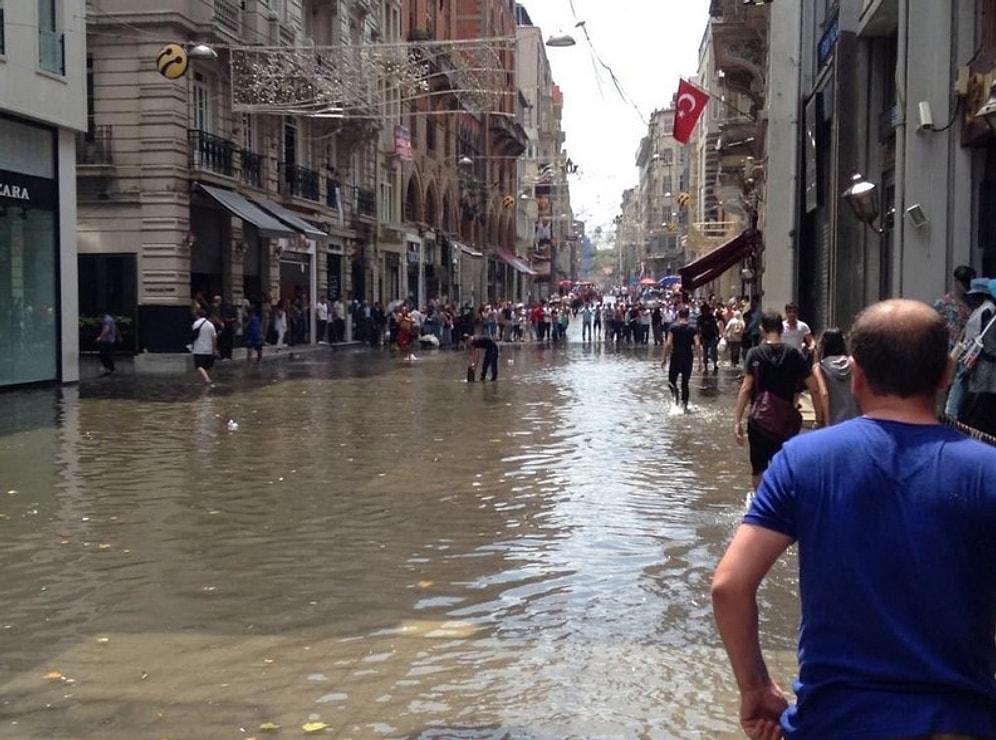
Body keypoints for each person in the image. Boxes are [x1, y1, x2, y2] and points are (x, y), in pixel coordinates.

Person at [712, 298, 996, 740]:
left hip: (832, 722)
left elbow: (729, 586)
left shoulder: (802, 461)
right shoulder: (987, 471)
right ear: (945, 372)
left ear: (856, 373)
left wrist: (756, 687)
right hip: (961, 722)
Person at [733, 311, 820, 490]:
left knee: (758, 469)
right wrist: (819, 418)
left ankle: (760, 507)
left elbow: (746, 388)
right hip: (785, 420)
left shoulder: (754, 354)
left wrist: (737, 421)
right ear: (781, 329)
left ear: (762, 329)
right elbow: (814, 387)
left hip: (759, 421)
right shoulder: (794, 354)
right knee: (784, 466)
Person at [957, 277, 996, 436]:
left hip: (985, 367)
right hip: (985, 366)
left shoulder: (986, 311)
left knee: (978, 404)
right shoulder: (987, 311)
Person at [811, 327, 859, 426]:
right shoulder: (853, 363)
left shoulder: (819, 367)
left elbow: (824, 393)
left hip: (834, 420)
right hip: (854, 419)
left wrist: (826, 422)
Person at [661, 306, 700, 412]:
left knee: (671, 381)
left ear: (678, 315)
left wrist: (664, 358)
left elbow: (668, 343)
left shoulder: (673, 328)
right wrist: (700, 361)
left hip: (676, 357)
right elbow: (697, 344)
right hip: (688, 357)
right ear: (688, 316)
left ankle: (676, 398)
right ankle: (685, 405)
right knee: (685, 383)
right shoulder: (693, 329)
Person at [934, 263, 975, 350]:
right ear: (956, 281)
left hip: (966, 349)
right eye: (964, 282)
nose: (967, 286)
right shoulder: (943, 304)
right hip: (948, 349)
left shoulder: (973, 303)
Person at [191, 309, 218, 387]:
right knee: (207, 367)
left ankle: (207, 381)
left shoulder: (196, 324)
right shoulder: (210, 325)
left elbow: (193, 336)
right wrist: (214, 349)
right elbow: (214, 338)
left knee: (199, 366)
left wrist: (192, 346)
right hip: (209, 349)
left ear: (197, 315)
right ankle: (204, 382)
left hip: (199, 349)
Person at [96, 308, 118, 376]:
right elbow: (115, 327)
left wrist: (100, 337)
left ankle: (109, 368)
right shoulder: (109, 318)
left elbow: (107, 329)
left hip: (107, 340)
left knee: (104, 355)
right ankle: (110, 369)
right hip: (110, 339)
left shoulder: (107, 319)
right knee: (107, 355)